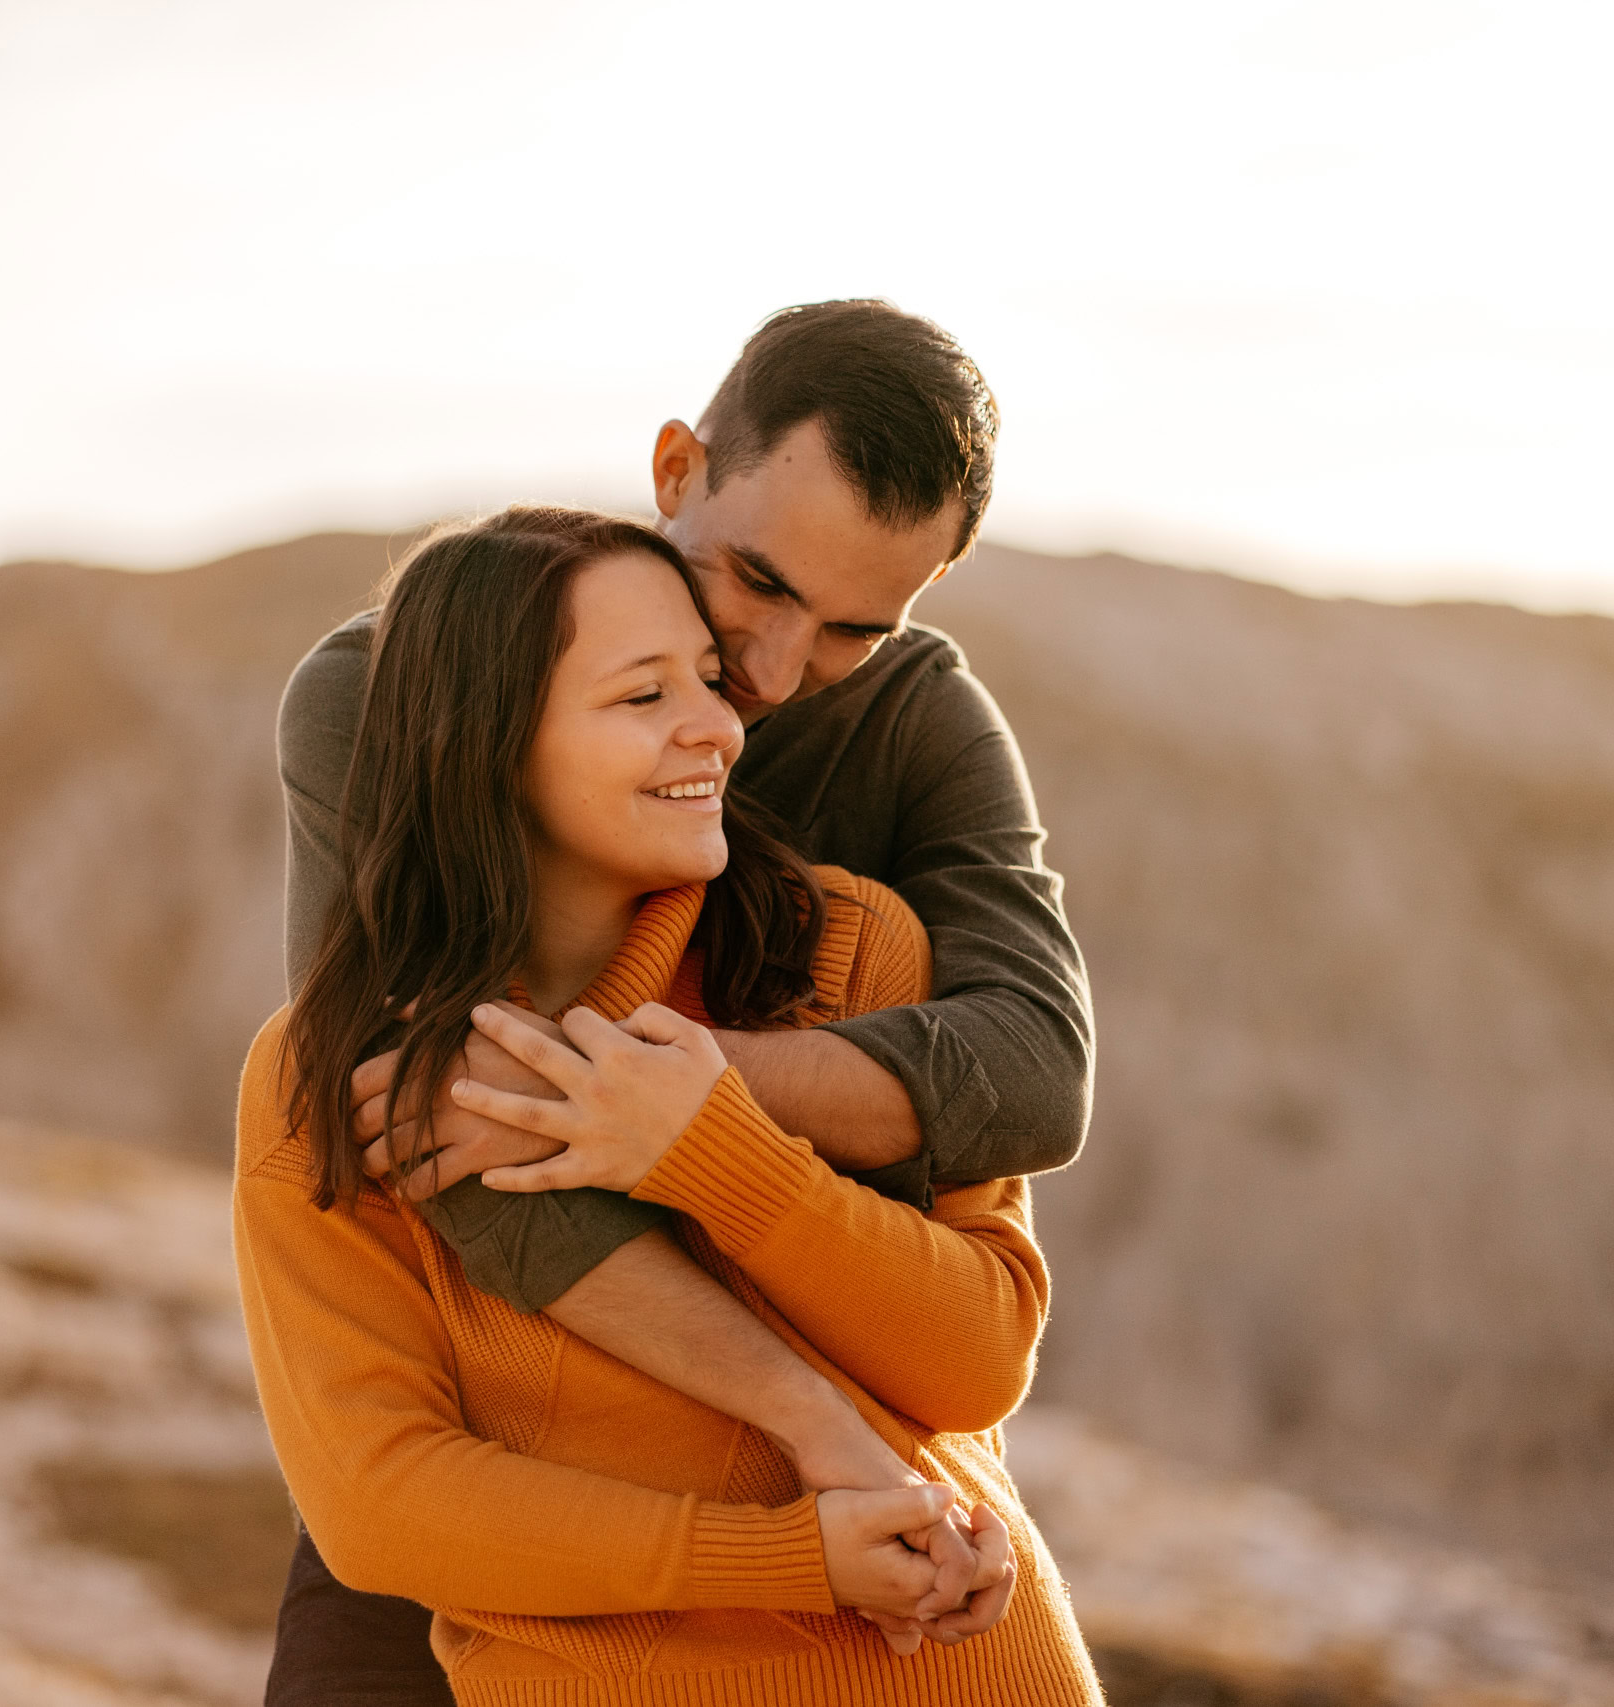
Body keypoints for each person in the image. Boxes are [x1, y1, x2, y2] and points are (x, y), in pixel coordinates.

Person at [269, 301, 1095, 1702]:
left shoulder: (916, 729)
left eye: (854, 627)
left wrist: (686, 1093)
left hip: (856, 1521)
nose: (769, 675)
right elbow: (441, 1124)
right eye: (758, 584)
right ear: (674, 472)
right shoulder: (396, 692)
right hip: (508, 1471)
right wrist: (807, 1418)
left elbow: (1032, 1073)